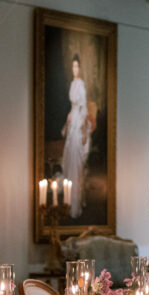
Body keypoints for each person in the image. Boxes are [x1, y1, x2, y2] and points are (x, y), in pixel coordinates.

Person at [61, 55, 90, 218]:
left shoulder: (81, 85)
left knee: (76, 163)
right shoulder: (72, 83)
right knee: (70, 160)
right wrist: (70, 115)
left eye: (77, 67)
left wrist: (84, 131)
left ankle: (76, 203)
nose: (75, 69)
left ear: (80, 68)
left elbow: (83, 108)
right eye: (73, 67)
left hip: (79, 124)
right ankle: (69, 202)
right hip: (73, 121)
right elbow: (74, 106)